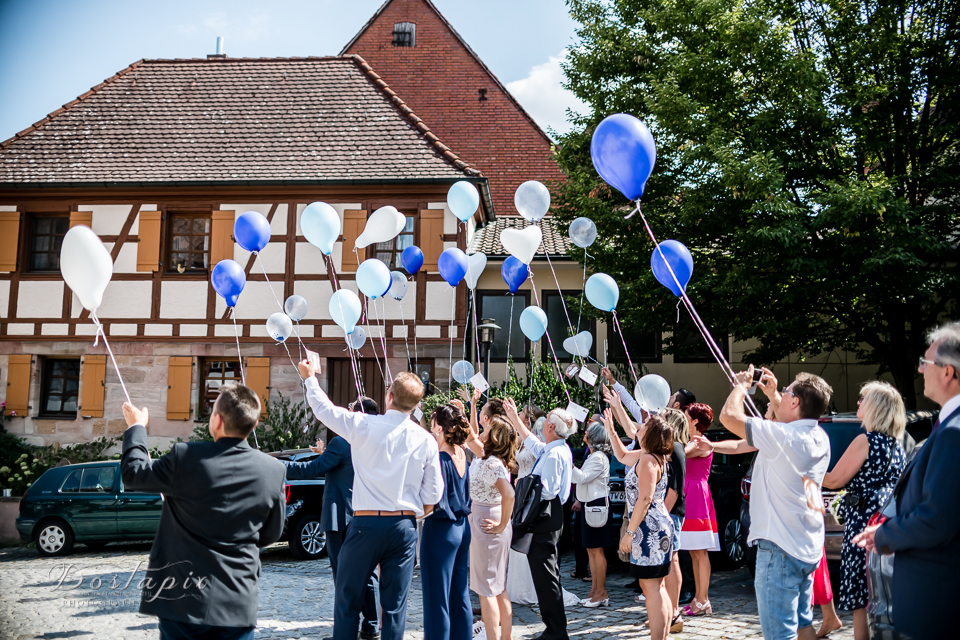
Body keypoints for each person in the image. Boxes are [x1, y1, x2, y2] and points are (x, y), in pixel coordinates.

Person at [119, 384, 286, 640]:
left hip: (181, 600)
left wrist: (136, 427)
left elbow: (134, 474)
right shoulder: (273, 470)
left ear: (217, 420)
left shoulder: (185, 456)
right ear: (253, 426)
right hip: (236, 599)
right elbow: (271, 533)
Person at [298, 362, 444, 640]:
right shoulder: (426, 441)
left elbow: (324, 409)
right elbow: (433, 496)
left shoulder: (363, 424)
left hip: (365, 523)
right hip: (404, 525)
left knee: (347, 599)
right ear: (416, 405)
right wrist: (412, 515)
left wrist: (310, 379)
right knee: (394, 607)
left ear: (389, 395)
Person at [853, 322, 960, 639]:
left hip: (936, 603)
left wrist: (885, 533)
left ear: (947, 372)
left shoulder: (954, 432)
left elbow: (937, 520)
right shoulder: (948, 424)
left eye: (926, 362)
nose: (919, 368)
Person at [719, 366, 832, 640]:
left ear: (795, 402)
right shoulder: (819, 437)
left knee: (780, 634)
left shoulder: (785, 437)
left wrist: (742, 386)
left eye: (786, 392)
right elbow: (788, 418)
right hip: (807, 547)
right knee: (804, 625)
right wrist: (772, 394)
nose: (782, 393)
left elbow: (728, 416)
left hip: (780, 549)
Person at [283, 397, 381, 640]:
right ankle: (371, 626)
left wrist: (277, 466)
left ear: (358, 414)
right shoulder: (374, 442)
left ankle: (346, 630)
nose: (345, 414)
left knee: (342, 575)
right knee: (367, 573)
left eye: (349, 410)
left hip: (339, 518)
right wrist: (325, 454)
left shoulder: (342, 441)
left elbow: (312, 469)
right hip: (364, 515)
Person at [822, 381, 906, 640]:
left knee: (861, 598)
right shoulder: (897, 446)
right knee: (879, 593)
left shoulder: (865, 441)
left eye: (863, 399)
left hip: (862, 525)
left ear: (877, 407)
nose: (858, 403)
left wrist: (802, 468)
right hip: (886, 522)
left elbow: (835, 480)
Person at [504, 399, 575, 640]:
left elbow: (549, 490)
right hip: (548, 514)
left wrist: (526, 492)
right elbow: (532, 443)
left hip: (546, 514)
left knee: (546, 576)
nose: (542, 424)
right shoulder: (555, 447)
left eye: (546, 422)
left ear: (551, 427)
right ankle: (554, 628)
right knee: (545, 574)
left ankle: (556, 631)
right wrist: (514, 416)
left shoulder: (555, 454)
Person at [602, 409, 675, 640]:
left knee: (651, 588)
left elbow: (645, 499)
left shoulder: (647, 460)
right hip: (658, 525)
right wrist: (612, 431)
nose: (638, 428)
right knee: (657, 587)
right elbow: (622, 456)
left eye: (643, 427)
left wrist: (629, 534)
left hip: (648, 528)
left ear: (650, 434)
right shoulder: (651, 455)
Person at [422, 404, 473, 640]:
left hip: (442, 530)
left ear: (439, 427)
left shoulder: (441, 459)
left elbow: (432, 500)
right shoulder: (461, 453)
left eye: (432, 421)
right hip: (462, 529)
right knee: (459, 595)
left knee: (437, 599)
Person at [468, 416, 517, 640]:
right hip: (487, 519)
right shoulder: (490, 459)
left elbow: (509, 494)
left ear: (493, 437)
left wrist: (500, 526)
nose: (482, 429)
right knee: (497, 587)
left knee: (486, 590)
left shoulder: (492, 464)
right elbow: (470, 438)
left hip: (487, 524)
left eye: (486, 428)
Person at [680, 402, 720, 618]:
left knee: (700, 551)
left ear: (695, 420)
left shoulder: (701, 443)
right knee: (695, 551)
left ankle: (703, 599)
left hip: (696, 495)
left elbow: (681, 453)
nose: (683, 417)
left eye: (685, 415)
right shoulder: (695, 441)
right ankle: (699, 598)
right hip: (692, 493)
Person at [571, 420, 613, 607]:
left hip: (597, 506)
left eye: (588, 431)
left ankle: (601, 592)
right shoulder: (594, 456)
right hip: (591, 504)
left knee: (596, 550)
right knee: (591, 550)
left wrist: (569, 464)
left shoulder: (598, 457)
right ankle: (595, 590)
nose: (585, 432)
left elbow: (582, 477)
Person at [601, 366, 695, 422]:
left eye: (673, 397)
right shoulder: (646, 411)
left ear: (677, 405)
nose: (669, 397)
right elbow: (628, 400)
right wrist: (612, 380)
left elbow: (628, 426)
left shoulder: (662, 423)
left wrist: (614, 404)